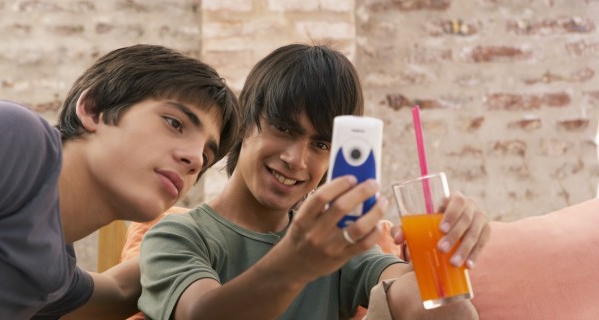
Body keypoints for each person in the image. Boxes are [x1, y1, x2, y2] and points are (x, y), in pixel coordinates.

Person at [138, 43, 491, 320]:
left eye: (320, 144)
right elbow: (201, 315)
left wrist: (437, 269)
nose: (297, 159)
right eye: (284, 129)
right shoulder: (176, 236)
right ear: (245, 123)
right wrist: (300, 260)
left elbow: (441, 310)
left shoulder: (337, 247)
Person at [0, 44, 240, 319]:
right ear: (93, 109)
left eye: (205, 154)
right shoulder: (14, 138)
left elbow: (119, 292)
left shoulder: (54, 272)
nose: (195, 160)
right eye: (174, 123)